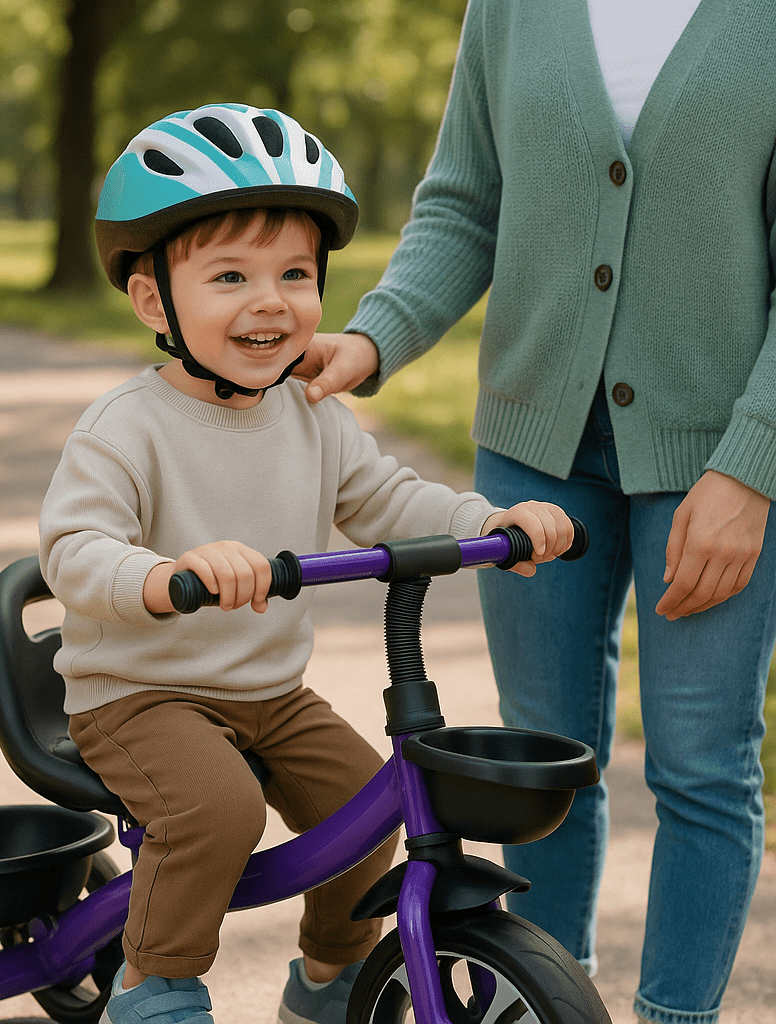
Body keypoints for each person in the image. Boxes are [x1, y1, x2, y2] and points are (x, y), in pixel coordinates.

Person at [39, 103, 576, 1024]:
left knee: (366, 818)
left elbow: (388, 498)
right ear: (154, 299)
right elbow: (74, 552)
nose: (271, 300)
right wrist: (169, 575)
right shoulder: (125, 429)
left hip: (271, 695)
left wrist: (493, 521)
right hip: (139, 690)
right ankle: (155, 981)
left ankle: (326, 981)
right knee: (214, 812)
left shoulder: (314, 414)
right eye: (231, 276)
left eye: (295, 273)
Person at [296, 3, 776, 1023]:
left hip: (714, 458)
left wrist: (753, 467)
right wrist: (372, 337)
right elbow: (464, 204)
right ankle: (540, 1004)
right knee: (540, 756)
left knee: (699, 763)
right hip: (532, 446)